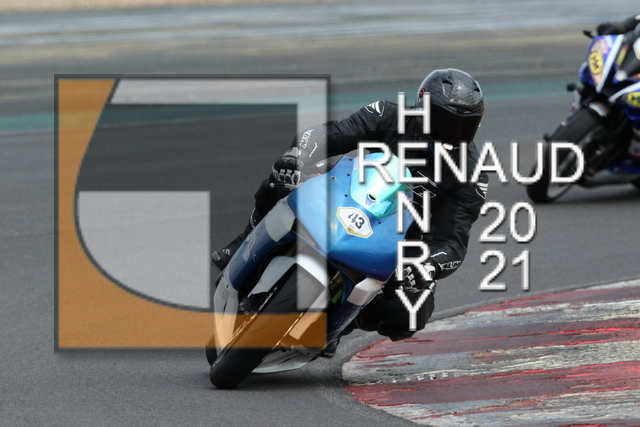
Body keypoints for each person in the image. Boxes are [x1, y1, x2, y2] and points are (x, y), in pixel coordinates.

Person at [212, 69, 489, 354]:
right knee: (282, 178)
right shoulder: (389, 115)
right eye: (443, 121)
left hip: (399, 242)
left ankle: (342, 323)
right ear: (422, 108)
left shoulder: (472, 174)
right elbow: (327, 134)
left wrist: (428, 266)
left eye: (462, 127)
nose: (451, 134)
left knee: (410, 314)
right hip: (345, 195)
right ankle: (245, 242)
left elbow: (453, 241)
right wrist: (298, 156)